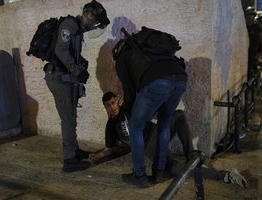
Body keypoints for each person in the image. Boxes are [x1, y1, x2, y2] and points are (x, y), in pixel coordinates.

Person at [90, 91, 248, 188]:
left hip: (157, 132)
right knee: (175, 169)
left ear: (117, 101)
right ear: (105, 107)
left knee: (178, 115)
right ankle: (226, 176)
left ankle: (191, 154)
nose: (112, 107)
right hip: (149, 148)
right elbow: (111, 148)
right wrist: (97, 155)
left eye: (113, 103)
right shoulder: (110, 126)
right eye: (108, 105)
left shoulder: (128, 107)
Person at [113, 27, 188, 188]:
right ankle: (159, 172)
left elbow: (130, 93)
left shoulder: (122, 59)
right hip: (180, 79)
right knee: (164, 124)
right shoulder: (149, 49)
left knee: (135, 128)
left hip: (158, 82)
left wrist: (126, 112)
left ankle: (139, 175)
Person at [43, 0, 110, 173]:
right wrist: (76, 70)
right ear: (88, 14)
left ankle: (74, 151)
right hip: (59, 78)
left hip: (64, 77)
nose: (93, 27)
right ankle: (69, 161)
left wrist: (80, 66)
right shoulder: (70, 24)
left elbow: (71, 53)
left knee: (71, 116)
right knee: (68, 119)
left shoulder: (77, 29)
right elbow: (61, 50)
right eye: (94, 22)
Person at [244, 6, 259, 81]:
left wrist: (259, 52)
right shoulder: (244, 27)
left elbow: (260, 41)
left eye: (251, 16)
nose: (250, 18)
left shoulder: (257, 28)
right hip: (245, 52)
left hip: (254, 51)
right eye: (248, 16)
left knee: (251, 67)